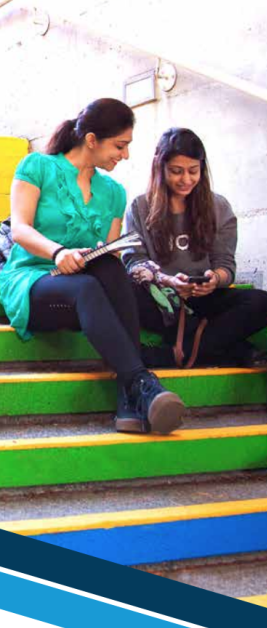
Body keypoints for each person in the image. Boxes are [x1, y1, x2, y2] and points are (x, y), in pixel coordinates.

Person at [0, 98, 185, 435]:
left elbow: (109, 256)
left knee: (111, 271)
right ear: (91, 140)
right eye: (120, 145)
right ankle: (139, 386)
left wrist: (95, 254)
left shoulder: (113, 191)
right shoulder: (37, 167)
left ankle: (131, 395)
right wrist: (58, 253)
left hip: (85, 291)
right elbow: (21, 230)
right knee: (87, 287)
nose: (124, 155)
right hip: (32, 280)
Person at [123, 128, 267, 368]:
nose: (186, 179)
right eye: (176, 171)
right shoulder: (139, 206)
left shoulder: (218, 206)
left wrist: (214, 280)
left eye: (193, 171)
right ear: (160, 168)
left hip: (204, 297)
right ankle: (235, 350)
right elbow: (134, 263)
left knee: (263, 302)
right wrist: (169, 281)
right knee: (125, 292)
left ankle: (172, 355)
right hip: (160, 298)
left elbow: (225, 266)